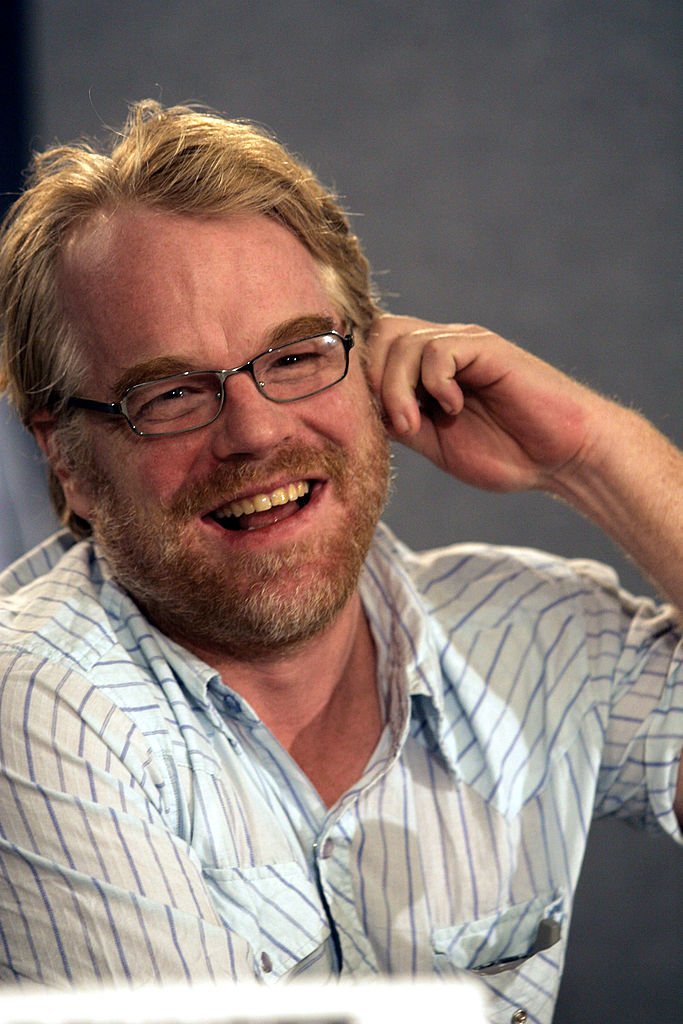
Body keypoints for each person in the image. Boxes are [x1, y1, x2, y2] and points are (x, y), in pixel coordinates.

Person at [0, 100, 680, 1024]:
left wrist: (592, 454)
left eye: (295, 355)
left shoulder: (534, 633)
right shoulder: (39, 697)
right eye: (167, 393)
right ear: (67, 461)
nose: (255, 430)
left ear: (371, 363)